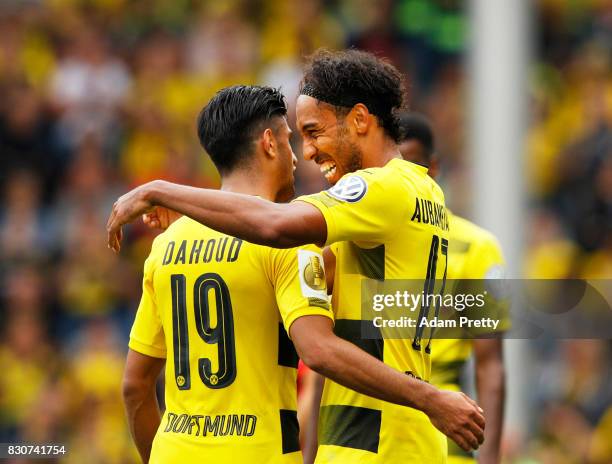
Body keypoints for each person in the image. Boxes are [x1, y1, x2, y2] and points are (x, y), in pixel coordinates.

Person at [111, 50, 486, 462]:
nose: (305, 153)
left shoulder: (377, 192)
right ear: (267, 143)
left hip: (372, 441)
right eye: (298, 137)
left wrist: (162, 191)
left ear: (360, 120)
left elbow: (278, 228)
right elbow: (334, 292)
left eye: (312, 132)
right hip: (388, 437)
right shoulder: (423, 192)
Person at [398, 112, 508, 464]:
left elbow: (489, 362)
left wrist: (489, 455)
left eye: (413, 166)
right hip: (374, 431)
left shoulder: (475, 246)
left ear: (433, 167)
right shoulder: (363, 239)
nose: (404, 179)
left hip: (445, 432)